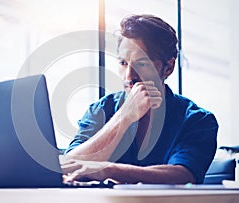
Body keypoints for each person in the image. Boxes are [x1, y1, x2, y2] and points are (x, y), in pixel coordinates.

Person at [61, 14, 218, 185]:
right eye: (123, 63)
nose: (129, 76)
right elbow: (69, 165)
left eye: (141, 64)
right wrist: (124, 117)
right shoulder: (101, 109)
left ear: (169, 68)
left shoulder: (197, 120)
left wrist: (109, 170)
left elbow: (184, 175)